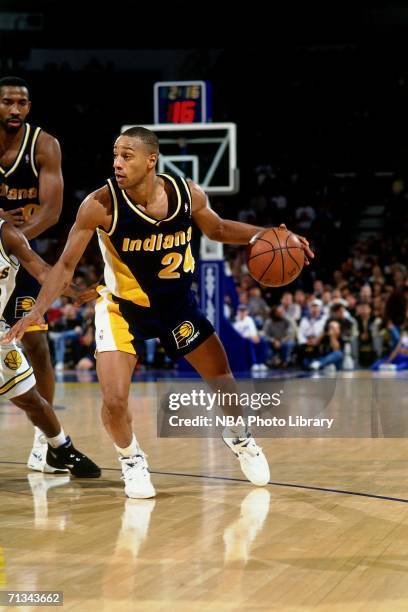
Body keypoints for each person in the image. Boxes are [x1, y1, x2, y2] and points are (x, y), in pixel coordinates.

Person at [4, 126, 314, 499]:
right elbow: (66, 265)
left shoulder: (187, 193)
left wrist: (263, 235)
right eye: (115, 155)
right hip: (123, 310)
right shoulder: (100, 204)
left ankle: (240, 437)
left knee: (224, 382)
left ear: (151, 160)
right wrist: (38, 310)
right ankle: (132, 459)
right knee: (115, 400)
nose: (117, 163)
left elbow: (216, 228)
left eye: (127, 156)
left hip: (176, 306)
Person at [0, 218, 100, 477]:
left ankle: (59, 447)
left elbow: (44, 272)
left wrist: (77, 292)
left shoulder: (7, 233)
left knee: (31, 399)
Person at [0, 76, 64, 470]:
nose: (15, 110)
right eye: (7, 102)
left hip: (18, 255)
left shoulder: (44, 145)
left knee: (37, 345)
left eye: (22, 103)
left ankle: (46, 441)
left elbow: (52, 212)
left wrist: (10, 237)